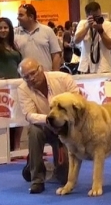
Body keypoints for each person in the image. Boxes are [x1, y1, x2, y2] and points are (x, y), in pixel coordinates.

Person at [17, 58, 79, 194]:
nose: (31, 78)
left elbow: (78, 102)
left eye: (33, 73)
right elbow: (29, 115)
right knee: (33, 130)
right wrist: (50, 120)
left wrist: (62, 125)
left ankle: (41, 165)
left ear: (41, 68)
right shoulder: (23, 89)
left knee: (64, 178)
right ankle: (37, 179)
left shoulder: (63, 79)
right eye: (26, 77)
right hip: (44, 127)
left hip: (66, 128)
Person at [14, 4, 61, 72]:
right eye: (18, 15)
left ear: (31, 17)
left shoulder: (48, 31)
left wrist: (55, 75)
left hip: (46, 77)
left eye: (21, 15)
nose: (18, 18)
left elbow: (56, 55)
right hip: (25, 78)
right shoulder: (15, 33)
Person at [0, 17, 23, 150]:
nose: (3, 30)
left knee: (18, 115)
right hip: (2, 87)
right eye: (0, 28)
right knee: (4, 116)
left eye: (5, 27)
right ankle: (4, 149)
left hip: (16, 85)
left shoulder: (14, 46)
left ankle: (16, 146)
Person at [74, 1, 111, 74]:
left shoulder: (110, 25)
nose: (97, 19)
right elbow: (76, 40)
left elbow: (110, 46)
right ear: (87, 16)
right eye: (94, 17)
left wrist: (101, 30)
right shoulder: (82, 24)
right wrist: (87, 26)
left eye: (99, 16)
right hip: (86, 67)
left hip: (103, 68)